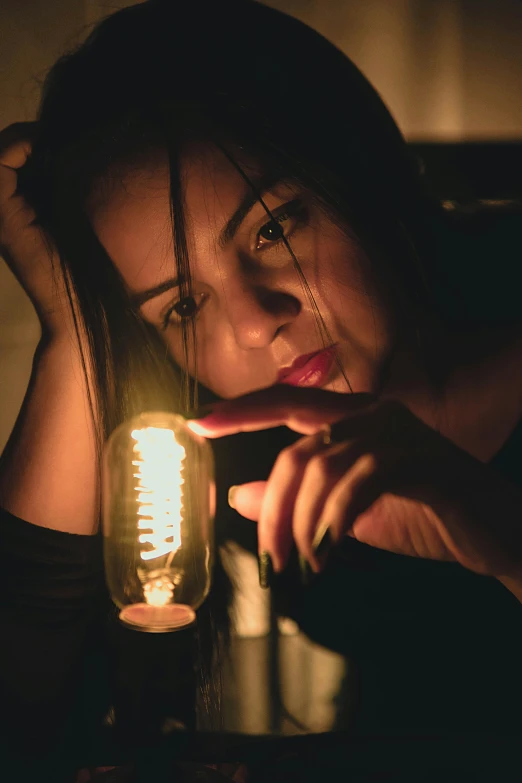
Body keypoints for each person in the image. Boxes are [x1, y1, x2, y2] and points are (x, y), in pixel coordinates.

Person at [1, 0, 522, 778]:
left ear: (355, 179)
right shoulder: (232, 458)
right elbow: (20, 714)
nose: (253, 324)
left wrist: (501, 531)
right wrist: (76, 328)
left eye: (274, 228)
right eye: (181, 304)